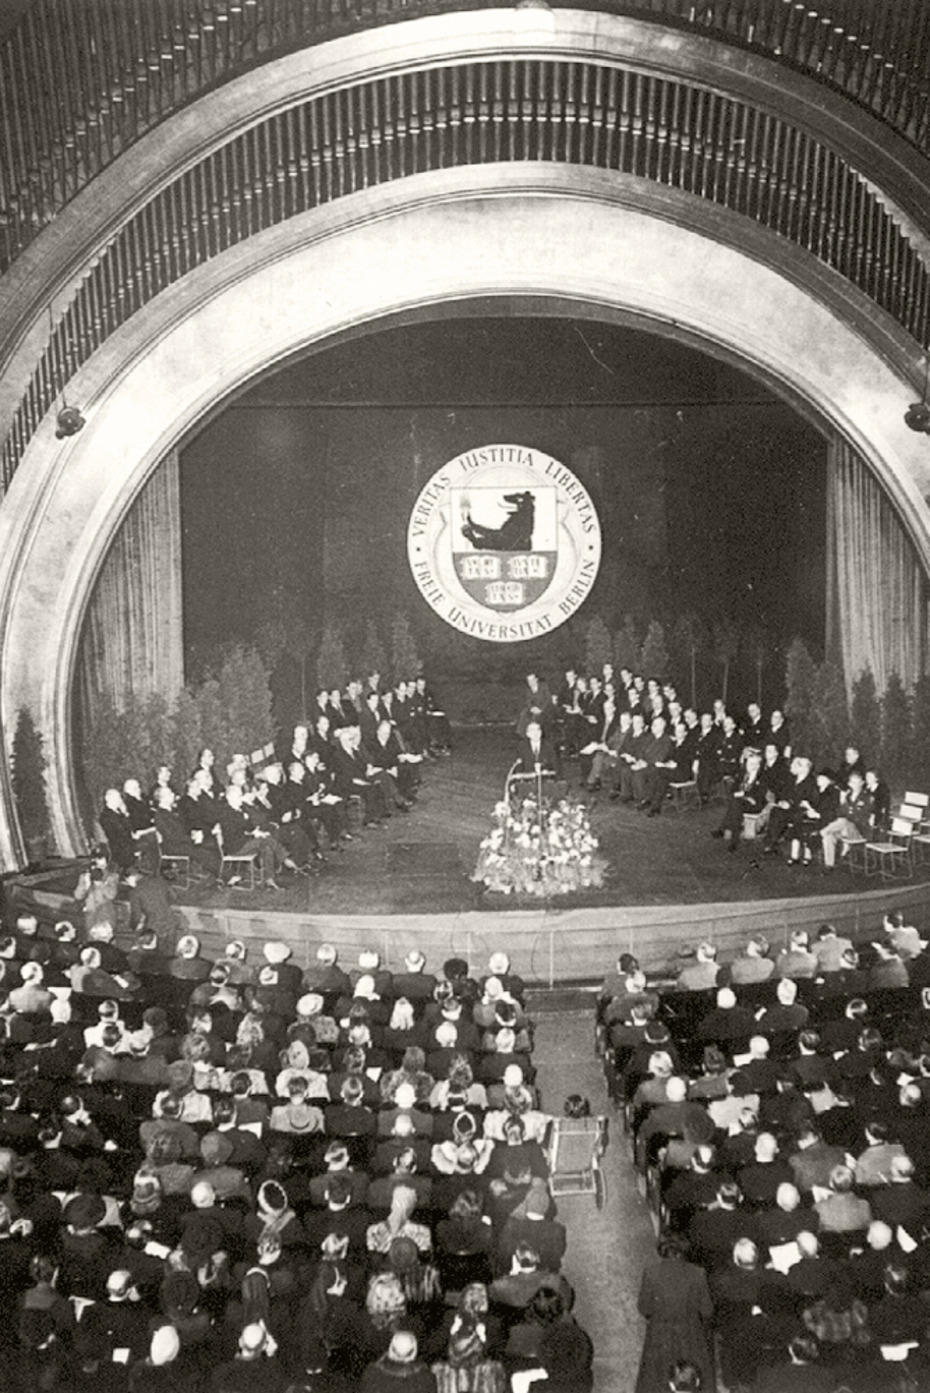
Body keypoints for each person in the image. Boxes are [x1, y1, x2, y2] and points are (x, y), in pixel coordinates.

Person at [635, 1234, 715, 1393]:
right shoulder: (698, 1273)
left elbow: (644, 1308)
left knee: (654, 1381)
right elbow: (707, 1310)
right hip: (691, 1335)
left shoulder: (651, 1273)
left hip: (659, 1336)